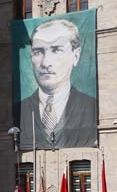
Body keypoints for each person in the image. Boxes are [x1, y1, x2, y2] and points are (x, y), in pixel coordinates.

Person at [18, 18, 96, 149]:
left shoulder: (90, 106)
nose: (45, 63)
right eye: (38, 52)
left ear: (75, 56)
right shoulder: (20, 109)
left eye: (57, 50)